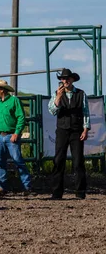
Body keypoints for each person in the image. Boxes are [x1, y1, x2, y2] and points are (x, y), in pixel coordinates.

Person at [48, 68, 90, 200]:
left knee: (78, 161)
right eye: (63, 78)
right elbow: (52, 111)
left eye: (67, 78)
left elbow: (85, 112)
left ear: (72, 80)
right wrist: (59, 98)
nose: (65, 81)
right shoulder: (56, 94)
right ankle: (56, 192)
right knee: (59, 160)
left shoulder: (81, 94)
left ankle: (80, 191)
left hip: (77, 131)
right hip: (62, 130)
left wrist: (86, 129)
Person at [0, 79, 32, 197]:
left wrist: (17, 133)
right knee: (0, 162)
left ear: (2, 90)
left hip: (10, 135)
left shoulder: (14, 101)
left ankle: (26, 186)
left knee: (17, 161)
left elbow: (21, 117)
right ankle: (1, 187)